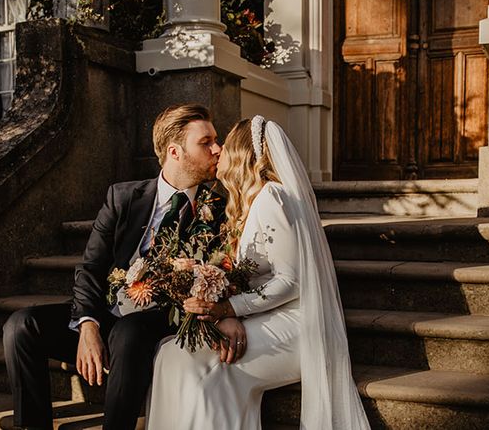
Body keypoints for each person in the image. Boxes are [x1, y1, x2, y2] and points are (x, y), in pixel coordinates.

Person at [3, 104, 236, 430]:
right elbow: (91, 267)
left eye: (216, 140)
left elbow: (223, 272)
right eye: (206, 142)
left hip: (161, 324)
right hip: (111, 317)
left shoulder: (220, 209)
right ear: (175, 151)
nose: (218, 149)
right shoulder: (124, 198)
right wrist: (88, 325)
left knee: (129, 333)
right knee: (22, 324)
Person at [145, 116, 370, 430]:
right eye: (210, 143)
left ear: (243, 153)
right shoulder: (251, 201)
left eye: (225, 144)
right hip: (269, 316)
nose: (219, 150)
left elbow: (292, 282)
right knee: (171, 353)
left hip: (298, 327)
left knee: (192, 362)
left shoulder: (271, 197)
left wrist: (229, 308)